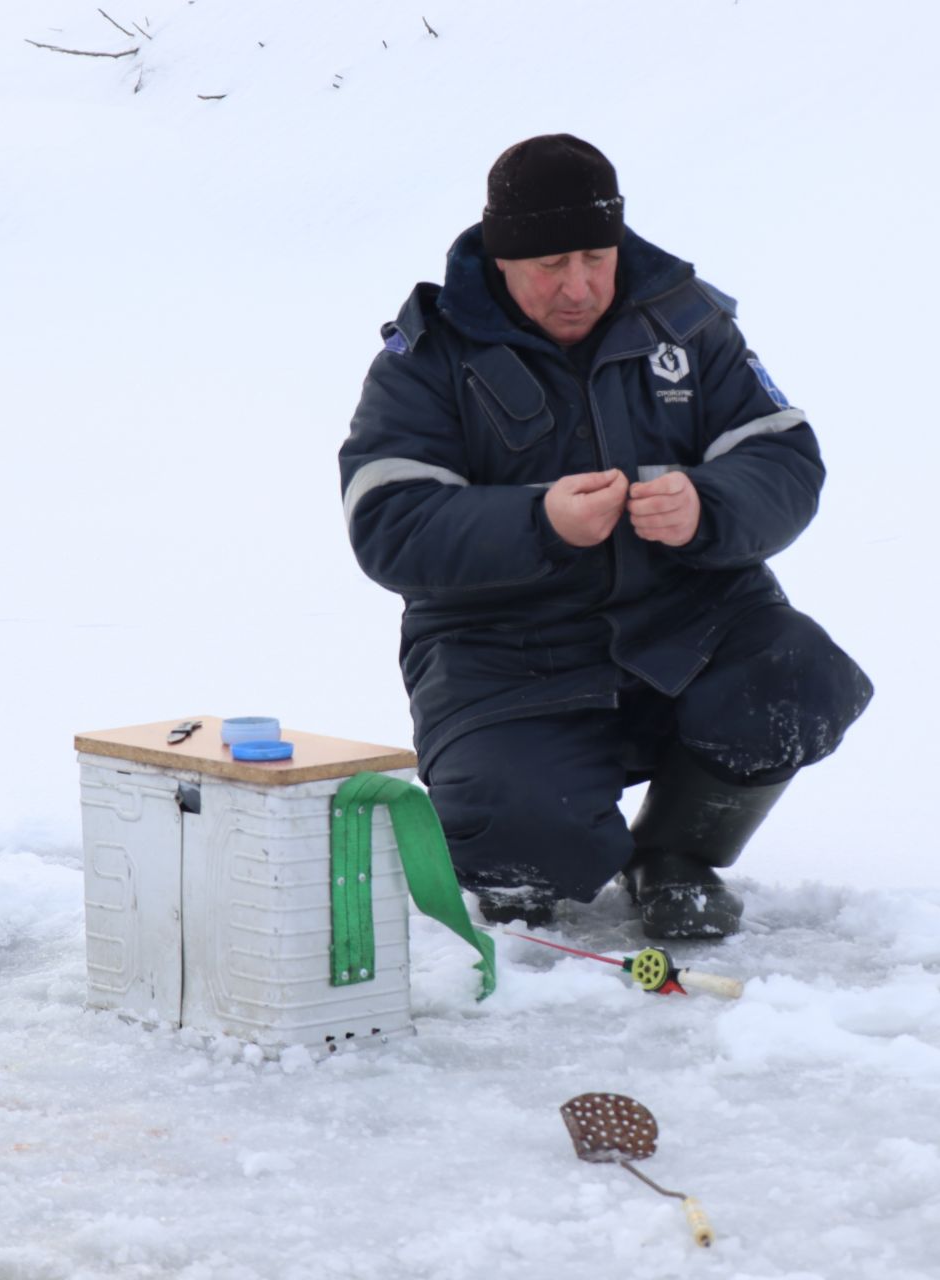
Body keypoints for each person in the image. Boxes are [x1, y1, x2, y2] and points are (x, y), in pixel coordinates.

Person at [338, 134, 871, 939]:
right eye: (550, 265)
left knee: (799, 679)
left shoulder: (688, 326)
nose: (578, 286)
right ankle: (532, 848)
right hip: (504, 652)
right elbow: (387, 520)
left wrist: (708, 504)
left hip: (691, 624)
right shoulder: (426, 360)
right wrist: (538, 520)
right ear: (502, 259)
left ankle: (676, 855)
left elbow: (786, 459)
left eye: (595, 255)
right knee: (521, 847)